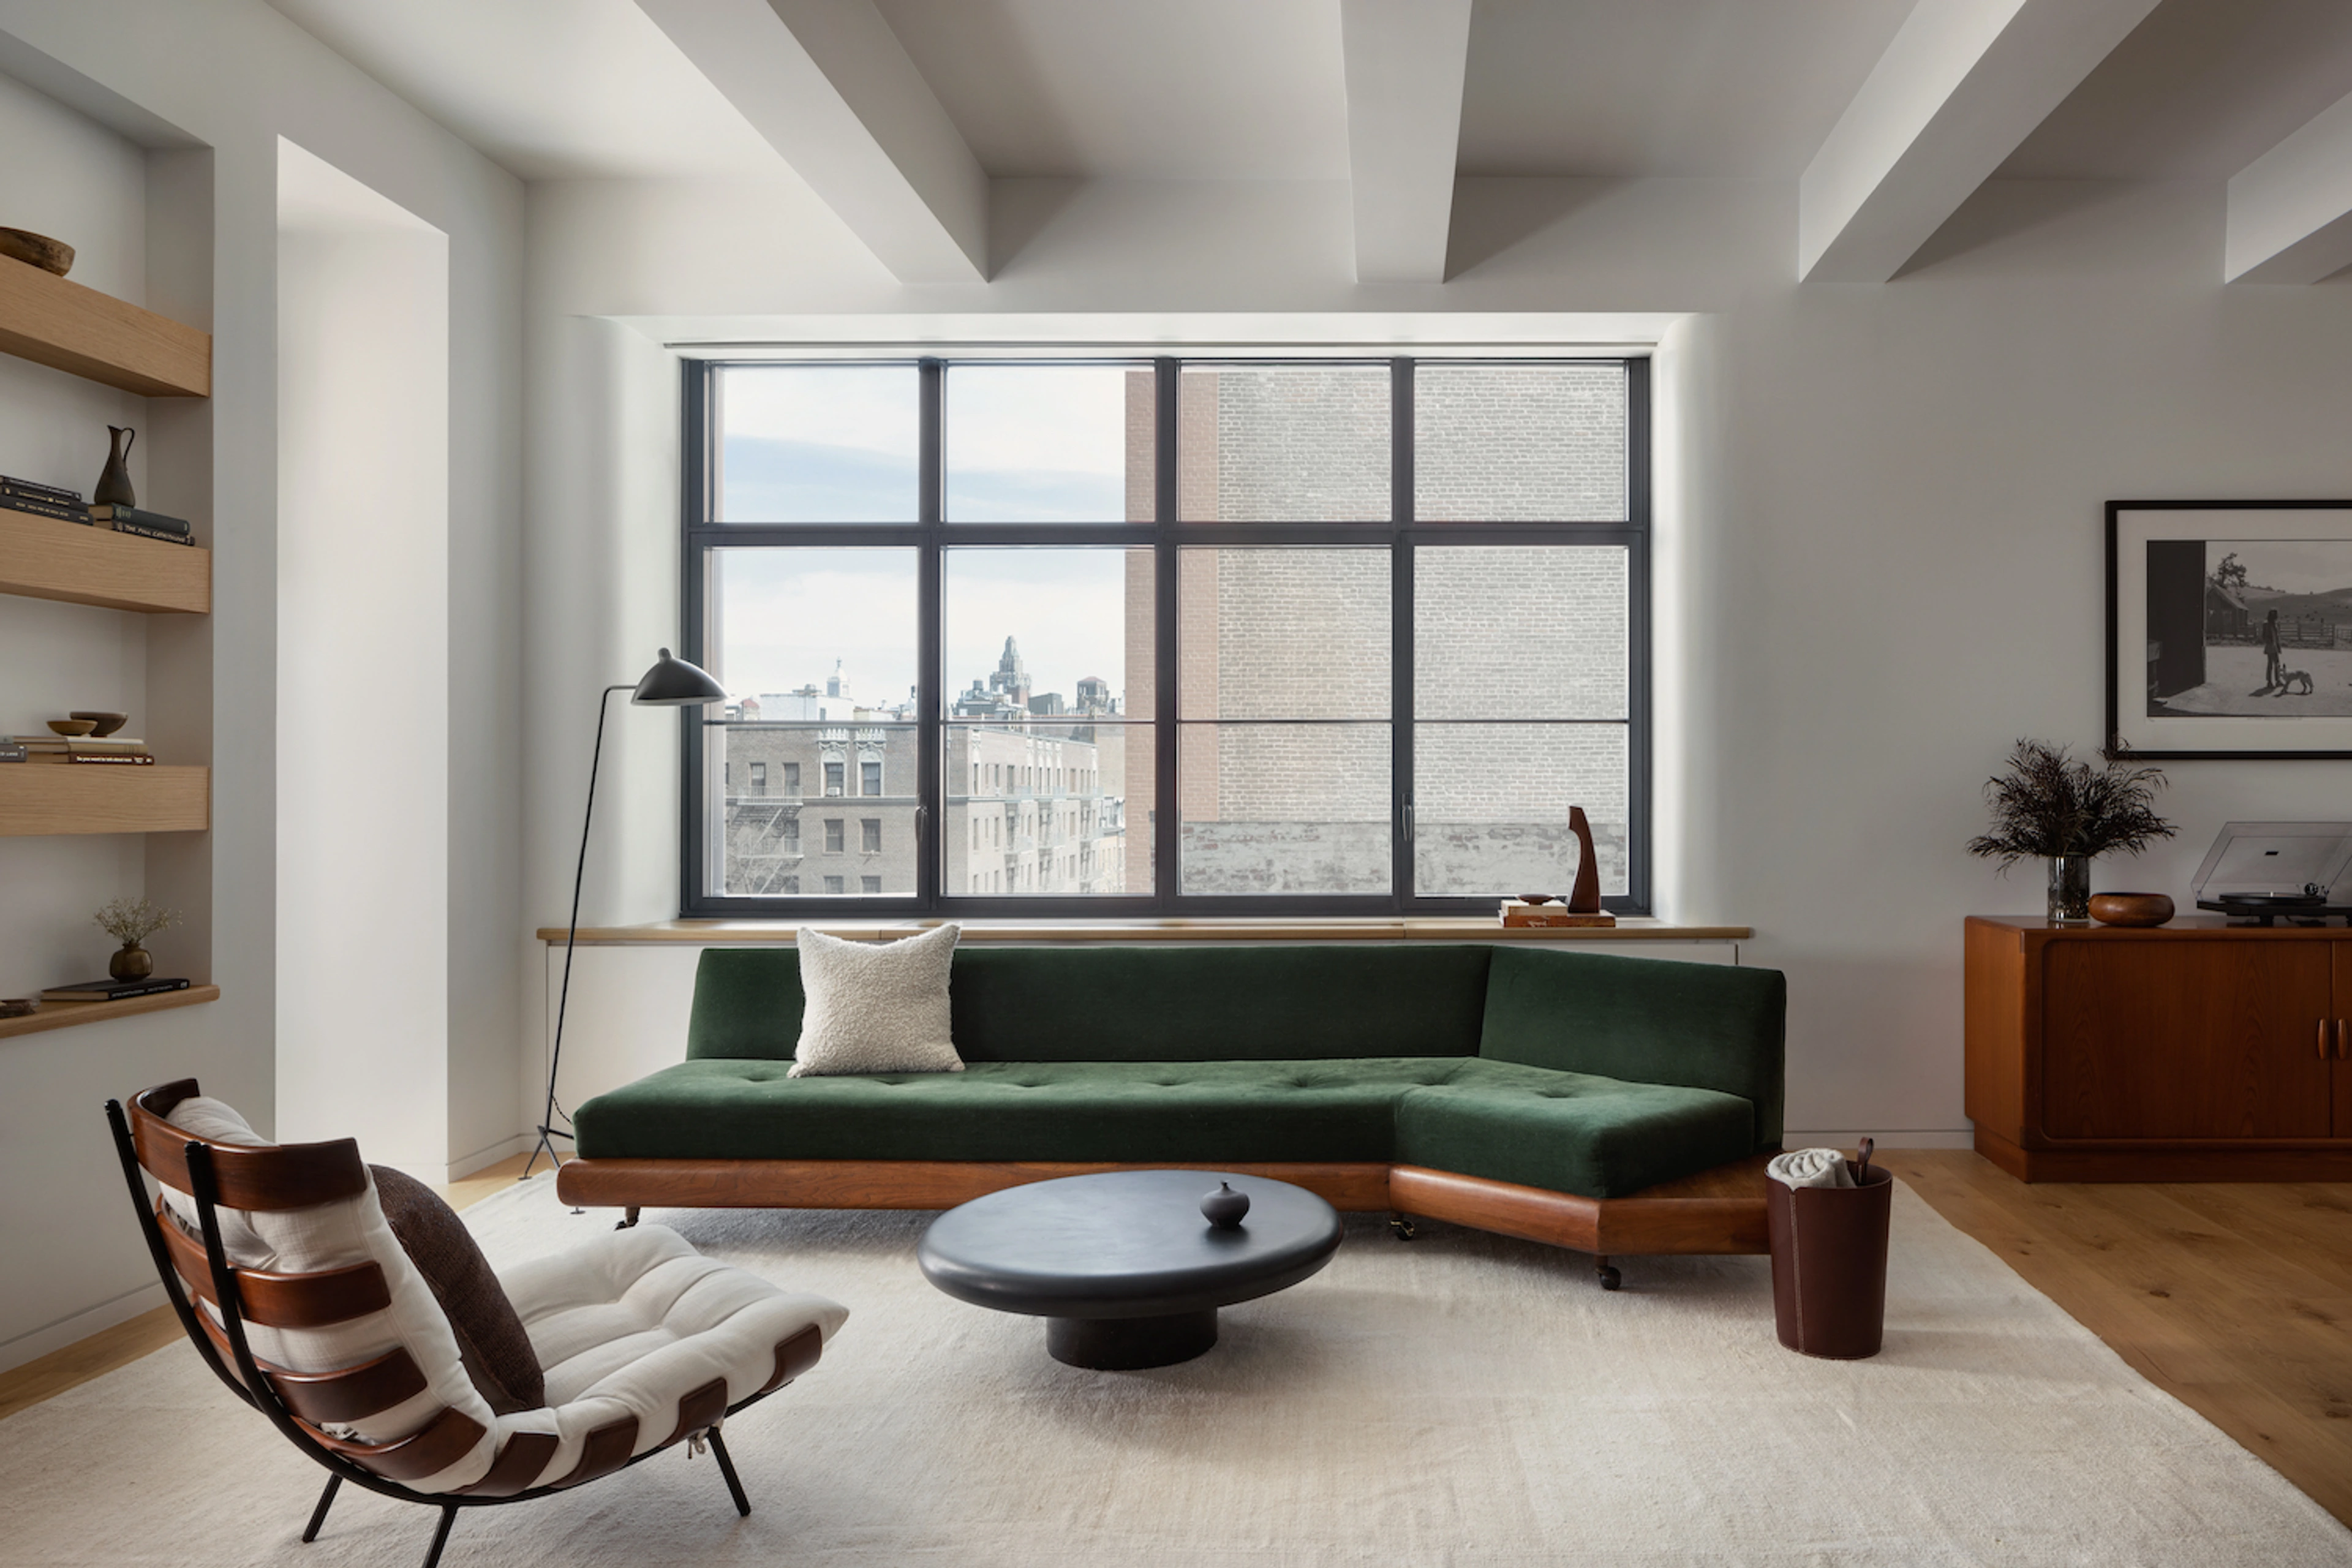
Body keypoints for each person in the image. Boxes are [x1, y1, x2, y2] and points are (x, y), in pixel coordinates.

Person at [2262, 609, 2283, 688]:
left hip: (2274, 646)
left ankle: (2274, 681)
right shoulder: (2267, 625)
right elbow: (2265, 636)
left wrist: (2278, 646)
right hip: (2271, 646)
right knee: (2273, 664)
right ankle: (2272, 681)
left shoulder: (2274, 624)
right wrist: (2270, 643)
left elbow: (2276, 637)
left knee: (2274, 664)